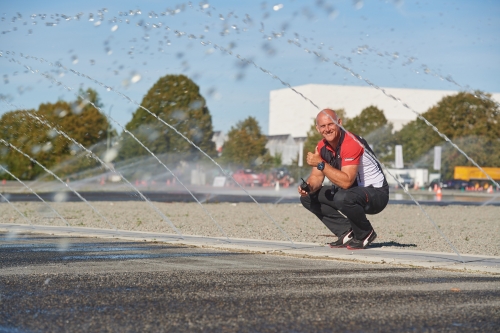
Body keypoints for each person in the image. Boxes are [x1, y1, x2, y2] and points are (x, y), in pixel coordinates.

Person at [298, 109, 389, 249]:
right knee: (309, 198)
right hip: (353, 193)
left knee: (342, 197)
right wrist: (308, 187)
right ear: (317, 128)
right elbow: (316, 177)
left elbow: (346, 182)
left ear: (339, 123)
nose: (327, 129)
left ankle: (365, 232)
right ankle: (346, 231)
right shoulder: (322, 147)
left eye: (331, 124)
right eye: (322, 126)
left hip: (376, 194)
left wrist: (321, 164)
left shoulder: (351, 143)